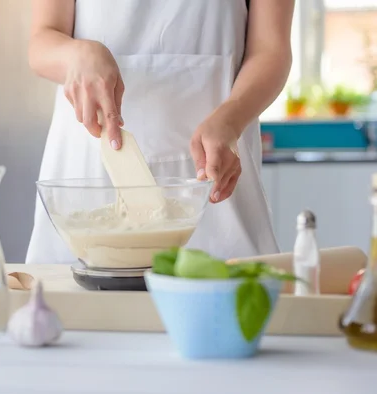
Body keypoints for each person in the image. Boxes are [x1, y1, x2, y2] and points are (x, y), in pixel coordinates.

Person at [25, 0, 295, 264]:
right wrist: (77, 55)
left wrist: (231, 118)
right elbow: (42, 41)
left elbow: (271, 49)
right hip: (85, 182)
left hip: (216, 197)